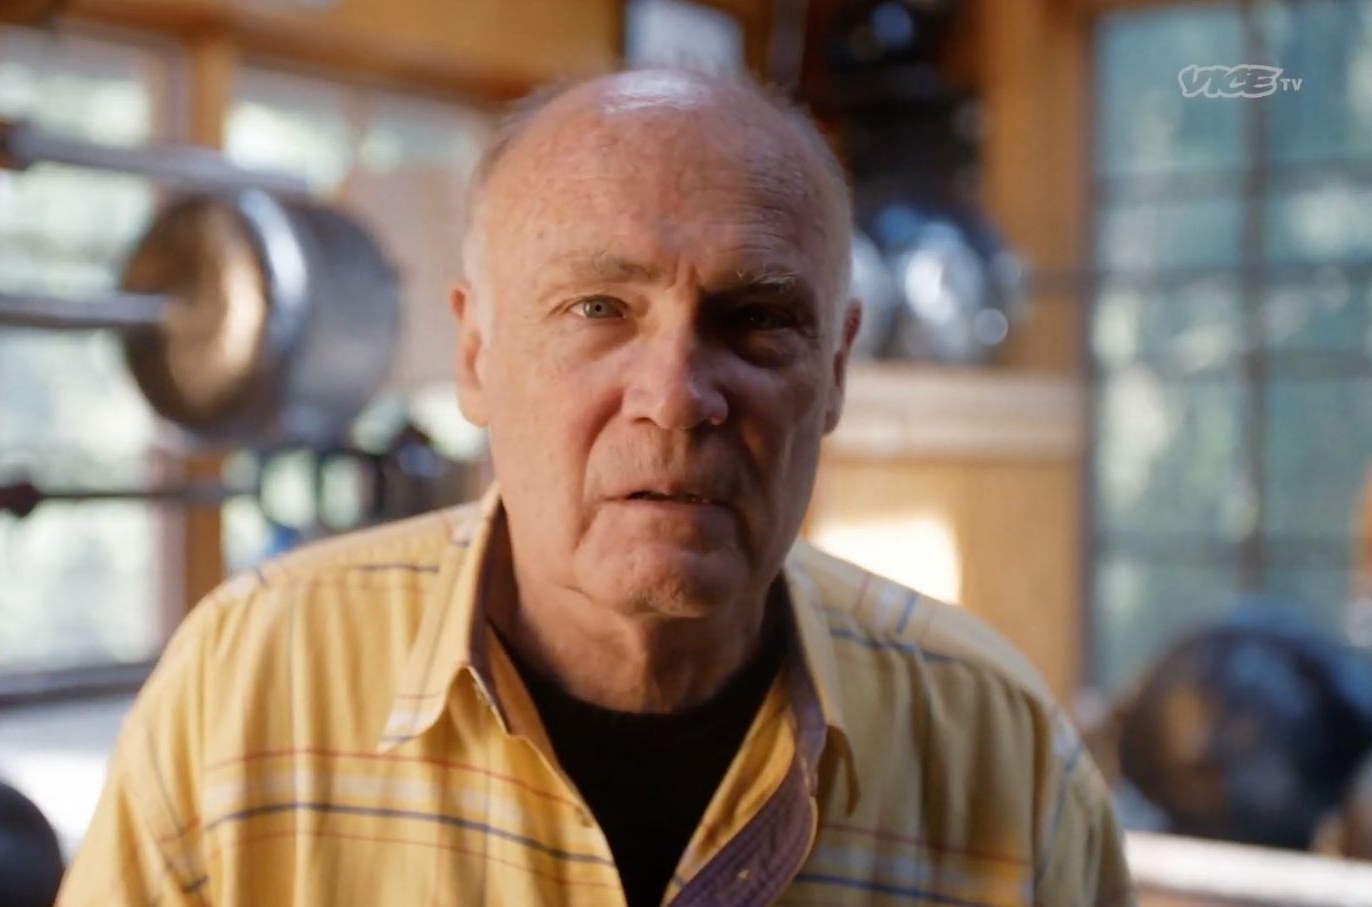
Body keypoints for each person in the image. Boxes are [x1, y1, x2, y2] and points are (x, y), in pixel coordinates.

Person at [57, 68, 1133, 907]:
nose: (675, 398)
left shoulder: (1003, 752)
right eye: (597, 310)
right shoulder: (244, 685)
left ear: (837, 371)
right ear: (475, 354)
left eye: (757, 318)